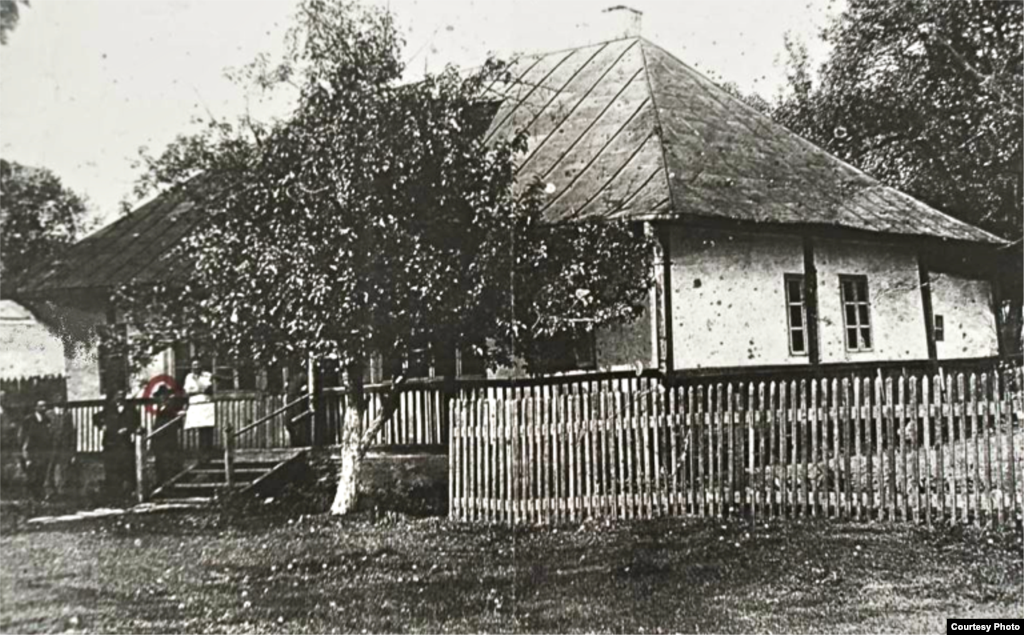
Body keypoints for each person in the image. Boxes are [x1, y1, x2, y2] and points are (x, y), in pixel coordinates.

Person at [95, 390, 140, 501]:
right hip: (110, 444)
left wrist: (128, 429)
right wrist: (102, 425)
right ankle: (113, 495)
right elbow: (96, 417)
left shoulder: (131, 410)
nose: (120, 398)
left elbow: (136, 423)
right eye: (118, 396)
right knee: (111, 469)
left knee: (126, 469)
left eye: (122, 396)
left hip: (124, 444)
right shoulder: (109, 409)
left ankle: (127, 494)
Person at [19, 400, 52, 501]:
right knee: (32, 473)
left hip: (43, 451)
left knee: (41, 473)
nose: (44, 408)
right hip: (32, 451)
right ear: (36, 407)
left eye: (45, 406)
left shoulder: (46, 420)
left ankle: (39, 495)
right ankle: (31, 496)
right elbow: (23, 436)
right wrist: (24, 451)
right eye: (41, 406)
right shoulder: (29, 420)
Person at [151, 386, 185, 484]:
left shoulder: (171, 406)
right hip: (158, 438)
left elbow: (176, 421)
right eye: (159, 396)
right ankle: (160, 480)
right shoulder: (159, 408)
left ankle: (169, 480)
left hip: (168, 437)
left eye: (163, 395)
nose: (161, 398)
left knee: (168, 459)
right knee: (159, 460)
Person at [183, 359, 215, 459]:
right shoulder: (188, 377)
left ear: (201, 366)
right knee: (198, 430)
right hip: (195, 405)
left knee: (207, 430)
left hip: (205, 404)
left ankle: (208, 453)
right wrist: (199, 390)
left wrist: (197, 389)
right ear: (191, 366)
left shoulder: (207, 375)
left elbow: (207, 389)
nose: (196, 367)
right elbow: (187, 391)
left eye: (198, 364)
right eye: (194, 365)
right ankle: (199, 454)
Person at [46, 403, 77, 498]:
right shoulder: (48, 414)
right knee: (50, 467)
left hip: (64, 446)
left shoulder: (67, 415)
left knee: (64, 467)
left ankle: (62, 490)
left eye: (62, 406)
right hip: (51, 446)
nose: (61, 409)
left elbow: (71, 432)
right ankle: (49, 490)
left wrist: (72, 449)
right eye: (58, 406)